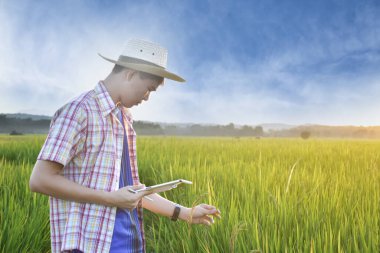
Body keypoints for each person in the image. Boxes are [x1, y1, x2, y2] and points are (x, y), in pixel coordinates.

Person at [29, 39, 221, 253]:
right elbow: (40, 180)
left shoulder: (124, 119)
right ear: (130, 74)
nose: (147, 97)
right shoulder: (78, 111)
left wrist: (185, 212)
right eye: (148, 89)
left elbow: (132, 189)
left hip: (130, 243)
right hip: (92, 246)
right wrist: (111, 199)